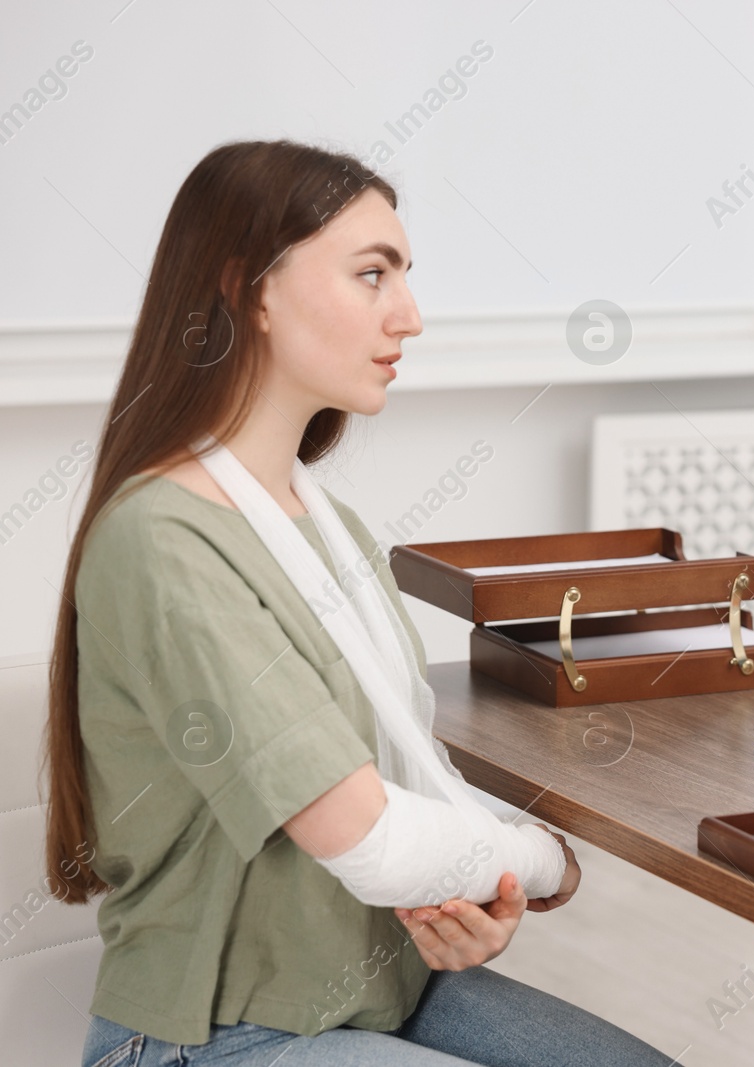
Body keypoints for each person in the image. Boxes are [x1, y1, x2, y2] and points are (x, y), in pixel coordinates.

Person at [47, 140, 672, 1067]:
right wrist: (541, 862)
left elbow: (409, 768)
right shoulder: (162, 541)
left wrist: (487, 898)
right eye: (371, 275)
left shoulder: (326, 524)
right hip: (206, 1036)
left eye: (405, 277)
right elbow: (377, 840)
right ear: (249, 290)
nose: (409, 317)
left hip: (385, 987)